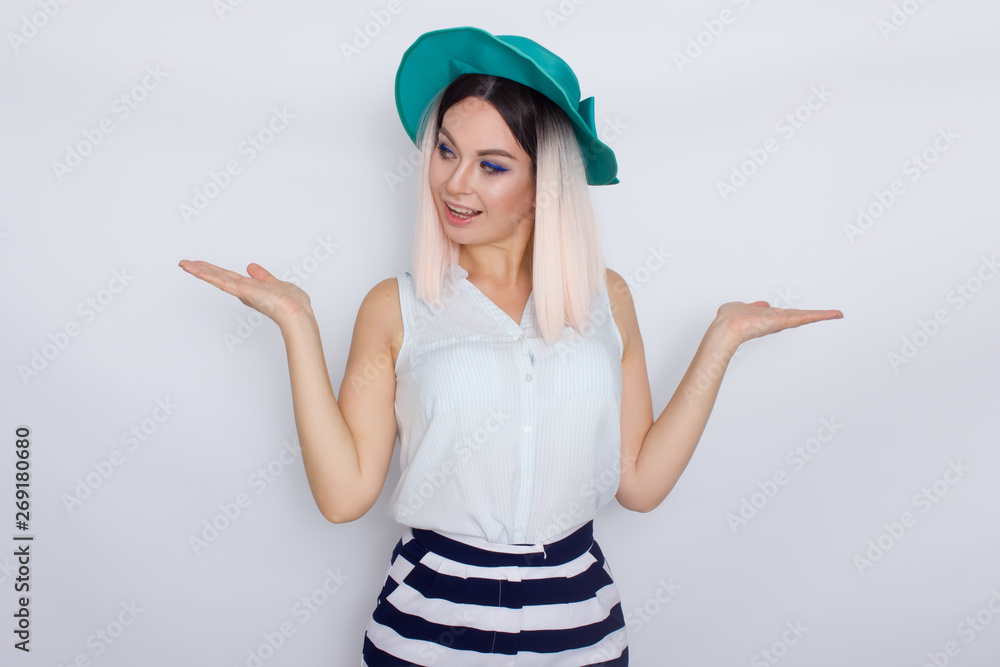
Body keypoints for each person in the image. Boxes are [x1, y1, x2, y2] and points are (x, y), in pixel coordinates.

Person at [178, 26, 843, 666]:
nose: (455, 182)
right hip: (427, 628)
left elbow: (638, 482)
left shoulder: (606, 299)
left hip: (578, 624)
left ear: (543, 183)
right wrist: (296, 324)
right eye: (446, 151)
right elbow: (344, 496)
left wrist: (722, 339)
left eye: (491, 165)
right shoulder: (395, 307)